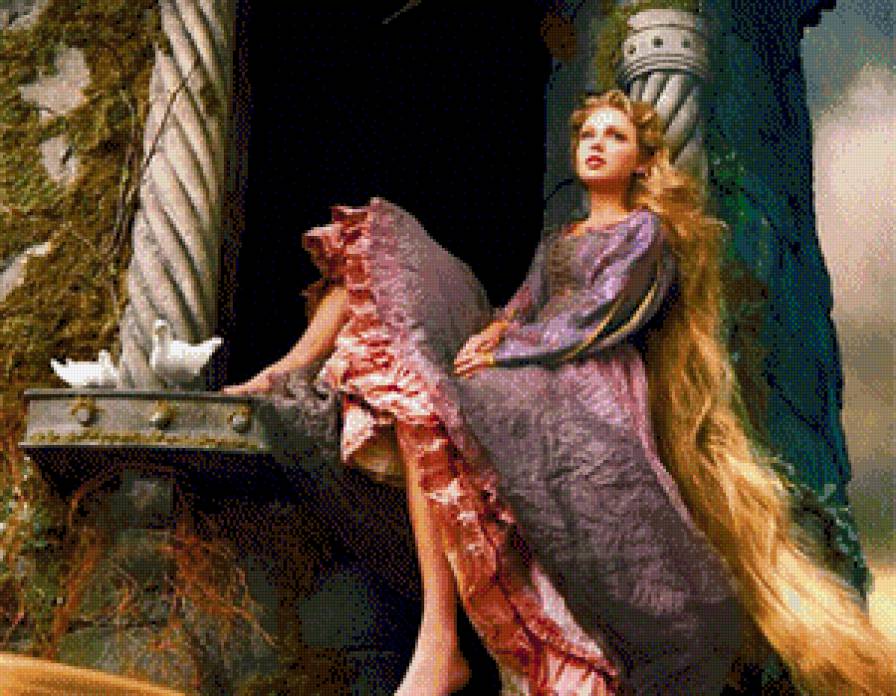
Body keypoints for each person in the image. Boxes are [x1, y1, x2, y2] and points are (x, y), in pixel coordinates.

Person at [224, 90, 895, 695]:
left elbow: (597, 315)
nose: (596, 145)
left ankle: (446, 642)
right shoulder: (559, 241)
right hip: (525, 359)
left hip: (581, 381)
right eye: (588, 136)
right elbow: (521, 307)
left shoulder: (644, 232)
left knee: (464, 401)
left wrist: (505, 348)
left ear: (641, 161)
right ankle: (285, 369)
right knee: (386, 260)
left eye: (615, 137)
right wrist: (496, 333)